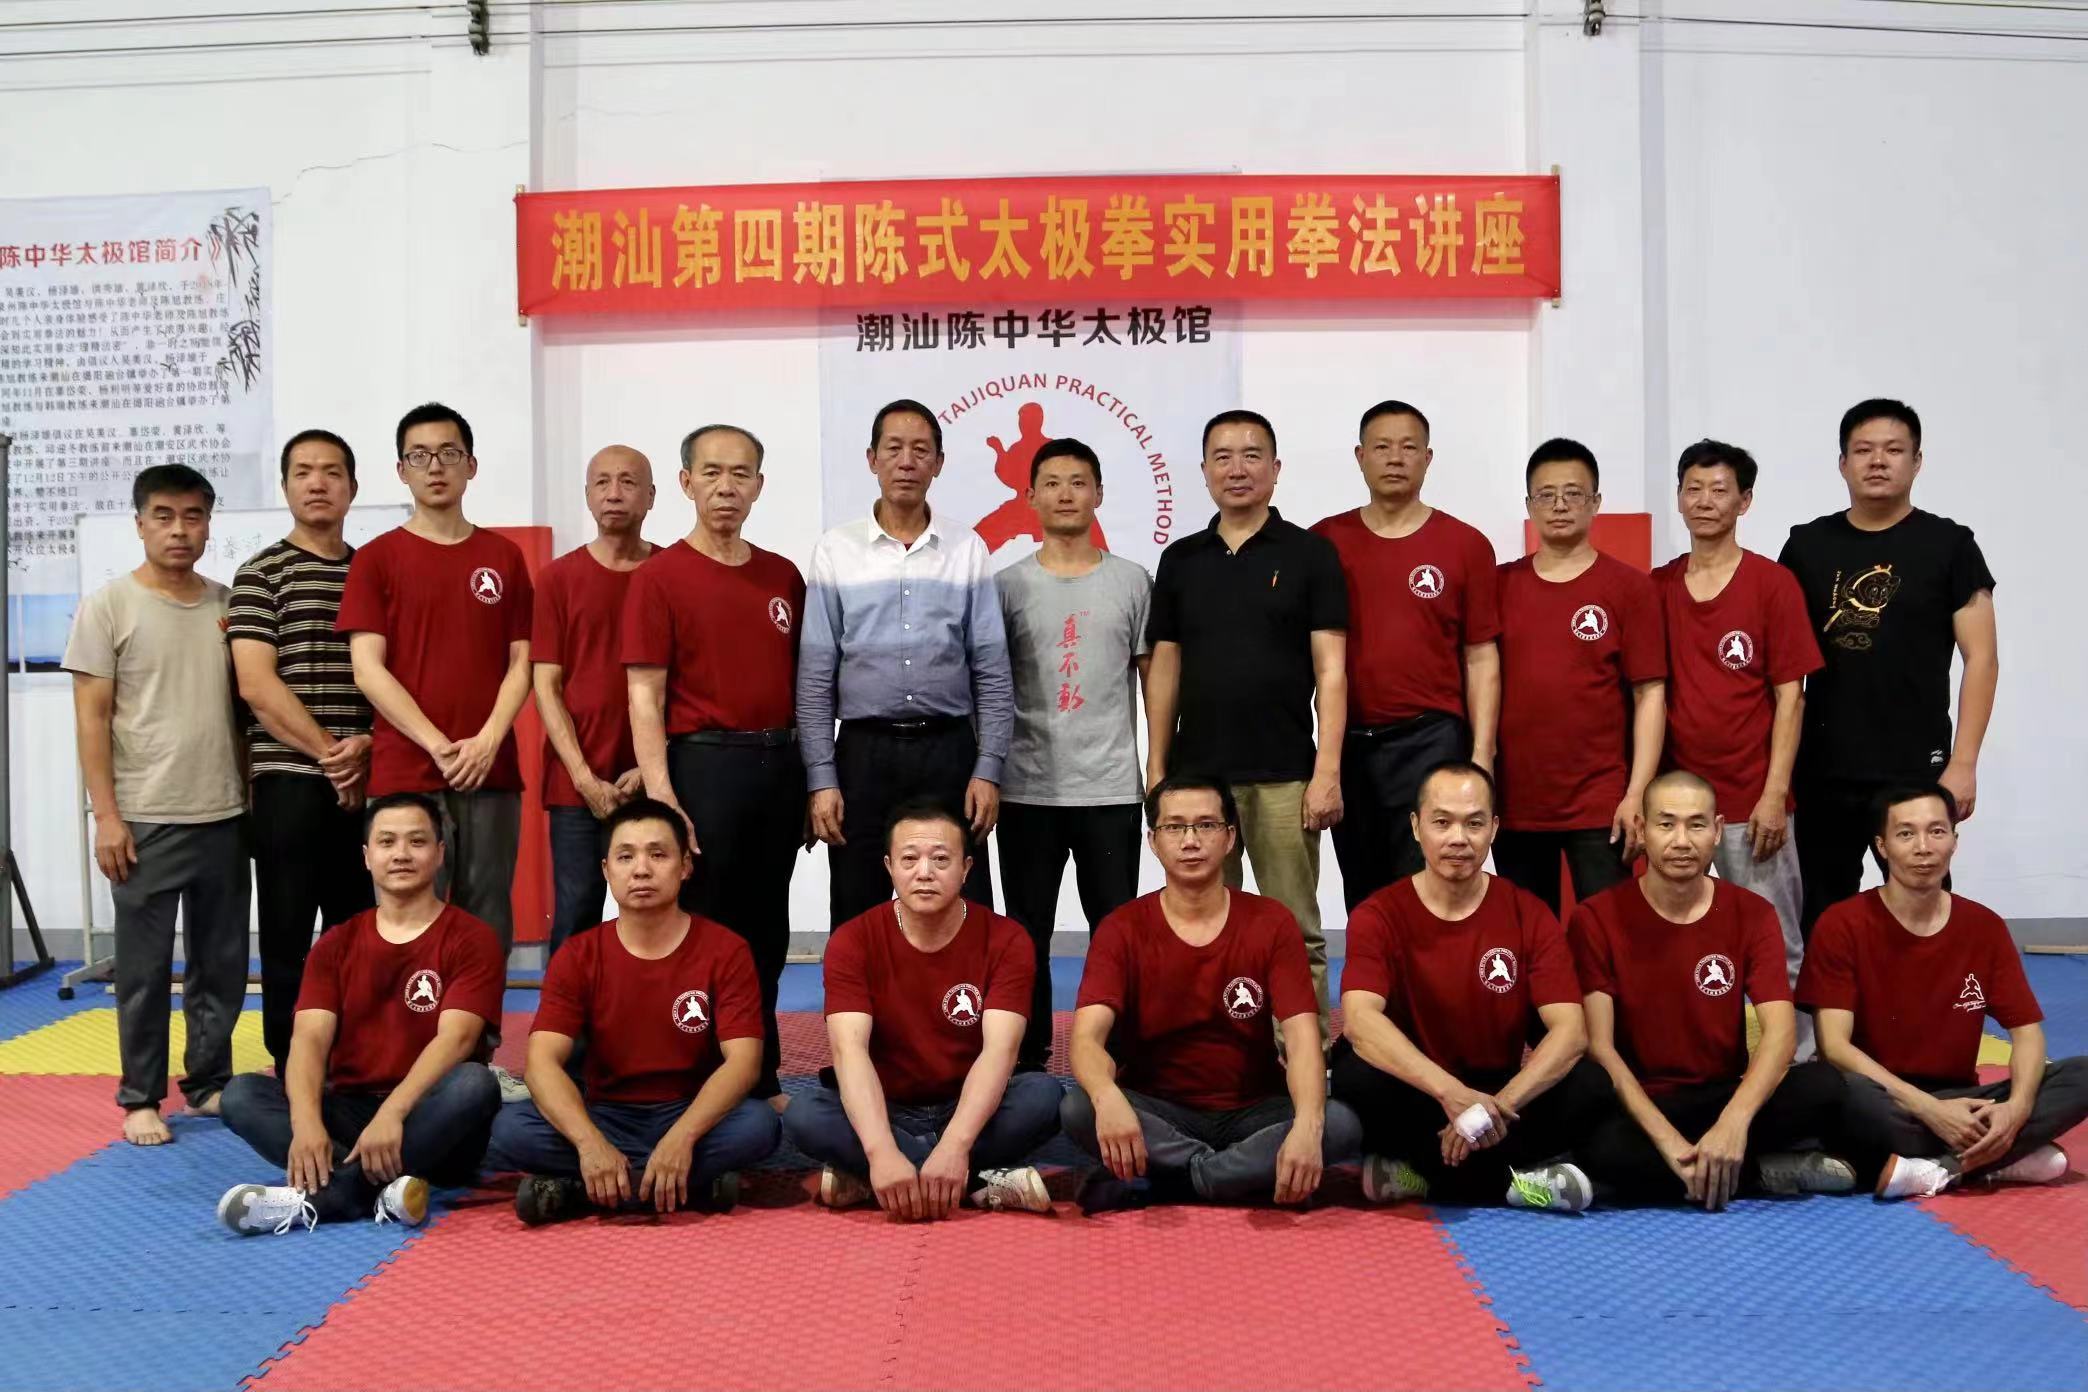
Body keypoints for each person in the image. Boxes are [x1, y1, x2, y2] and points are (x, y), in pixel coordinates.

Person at [1058, 774, 1361, 1212]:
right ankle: (1238, 1176)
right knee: (1079, 1108)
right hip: (1158, 1111)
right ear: (1153, 841)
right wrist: (1107, 1099)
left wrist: (1308, 1127)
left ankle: (1174, 1183)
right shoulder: (1122, 927)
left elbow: (1302, 1039)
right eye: (1174, 827)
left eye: (1206, 825)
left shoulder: (1271, 922)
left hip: (1255, 1109)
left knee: (1339, 1124)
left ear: (1230, 837)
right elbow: (1086, 1039)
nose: (1191, 841)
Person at [337, 402, 533, 1062]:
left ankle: (477, 1058)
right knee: (404, 915)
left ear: (471, 465)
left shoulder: (502, 557)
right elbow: (367, 668)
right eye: (419, 456)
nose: (435, 467)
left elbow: (522, 663)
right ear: (401, 471)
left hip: (490, 768)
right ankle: (398, 1057)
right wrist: (436, 742)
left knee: (486, 917)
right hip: (405, 771)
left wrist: (487, 739)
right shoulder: (377, 559)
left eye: (449, 453)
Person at [215, 793, 504, 1235]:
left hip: (429, 1115)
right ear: (367, 857)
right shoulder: (336, 943)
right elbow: (308, 1039)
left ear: (440, 853)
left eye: (417, 841)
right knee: (240, 1095)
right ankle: (381, 1188)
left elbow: (458, 1040)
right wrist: (306, 1124)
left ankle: (332, 1195)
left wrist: (393, 1113)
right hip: (349, 1113)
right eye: (387, 842)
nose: (401, 854)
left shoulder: (472, 938)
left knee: (474, 1085)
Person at [1145, 409, 1347, 1035]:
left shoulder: (1310, 554)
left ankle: (1304, 1056)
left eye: (1252, 455)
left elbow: (1332, 671)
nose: (1238, 469)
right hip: (1198, 782)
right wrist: (1156, 765)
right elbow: (1165, 668)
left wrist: (1327, 771)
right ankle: (1212, 1052)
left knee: (1293, 928)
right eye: (1223, 456)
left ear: (1276, 469)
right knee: (1200, 924)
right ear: (1205, 471)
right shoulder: (1181, 560)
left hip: (1285, 775)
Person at [1330, 760, 1610, 1212]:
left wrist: (1489, 1110)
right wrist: (1450, 1095)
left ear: (1494, 829)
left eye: (1474, 823)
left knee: (1591, 1083)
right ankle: (1514, 1182)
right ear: (1416, 827)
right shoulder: (1378, 914)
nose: (1458, 838)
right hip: (1421, 1089)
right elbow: (1361, 1023)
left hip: (1501, 1094)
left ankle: (1422, 1176)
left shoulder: (1527, 912)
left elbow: (1571, 1031)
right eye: (1442, 822)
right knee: (1353, 1077)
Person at [484, 798, 781, 1224]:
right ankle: (685, 1186)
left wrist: (682, 1138)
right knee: (511, 1129)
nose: (641, 870)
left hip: (691, 1110)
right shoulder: (579, 954)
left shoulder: (726, 950)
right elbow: (541, 1063)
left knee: (759, 1125)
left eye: (658, 854)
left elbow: (744, 1063)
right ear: (606, 870)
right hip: (605, 1113)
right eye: (626, 857)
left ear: (685, 866)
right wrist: (589, 1144)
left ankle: (586, 1189)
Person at [65, 464, 250, 1146]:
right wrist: (107, 817)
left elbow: (244, 714)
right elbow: (91, 720)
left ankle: (206, 1082)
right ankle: (140, 1097)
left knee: (220, 963)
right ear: (140, 524)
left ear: (208, 524)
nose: (179, 530)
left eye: (193, 516)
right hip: (144, 816)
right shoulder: (108, 606)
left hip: (224, 811)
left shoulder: (228, 605)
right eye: (164, 516)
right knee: (143, 970)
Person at [1570, 771, 1855, 1208]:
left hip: (1722, 1093)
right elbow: (1601, 1048)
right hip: (1644, 1103)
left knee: (1825, 1086)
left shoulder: (1753, 913)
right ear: (1642, 830)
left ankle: (1694, 1173)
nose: (1682, 841)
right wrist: (1667, 1140)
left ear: (1718, 831)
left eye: (1697, 825)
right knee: (1601, 1147)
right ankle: (1759, 1174)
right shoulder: (1596, 918)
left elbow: (1780, 1036)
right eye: (1666, 824)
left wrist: (1734, 1124)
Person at [627, 424, 807, 1105]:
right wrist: (662, 797)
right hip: (703, 769)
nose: (726, 487)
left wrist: (809, 781)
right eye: (711, 473)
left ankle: (759, 1073)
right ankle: (696, 1076)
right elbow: (644, 696)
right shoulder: (659, 578)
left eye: (740, 474)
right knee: (705, 928)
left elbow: (804, 689)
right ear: (686, 483)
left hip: (777, 767)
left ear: (759, 485)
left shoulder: (782, 576)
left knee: (768, 929)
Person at [1800, 785, 2088, 1199]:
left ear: (1954, 840)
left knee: (2080, 1074)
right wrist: (1931, 1110)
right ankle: (1997, 1158)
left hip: (1962, 1097)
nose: (1923, 848)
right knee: (1844, 1094)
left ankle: (1940, 1169)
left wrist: (2015, 1110)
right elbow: (1835, 1048)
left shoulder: (1984, 927)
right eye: (1906, 834)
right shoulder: (1842, 924)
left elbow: (2027, 1032)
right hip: (1885, 1097)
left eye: (1936, 831)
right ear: (1881, 846)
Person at [1778, 400, 1998, 936]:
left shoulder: (1950, 545)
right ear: (1842, 463)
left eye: (1894, 450)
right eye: (1863, 450)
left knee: (1922, 905)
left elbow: (1982, 658)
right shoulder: (1807, 545)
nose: (1878, 461)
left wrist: (1964, 762)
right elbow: (1782, 669)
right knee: (1820, 914)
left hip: (1915, 766)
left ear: (1917, 462)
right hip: (1823, 767)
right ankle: (1830, 998)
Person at [781, 799, 1061, 1218]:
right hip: (886, 1105)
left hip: (969, 1105)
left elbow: (1000, 1052)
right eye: (909, 859)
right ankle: (976, 1183)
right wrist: (880, 1151)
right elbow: (849, 1052)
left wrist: (955, 1146)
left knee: (1044, 1096)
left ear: (966, 868)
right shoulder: (853, 940)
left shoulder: (1007, 939)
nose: (924, 873)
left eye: (941, 859)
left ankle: (877, 1180)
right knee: (805, 1114)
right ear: (889, 867)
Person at [798, 399, 1013, 925]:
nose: (907, 462)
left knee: (962, 902)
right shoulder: (836, 550)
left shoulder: (966, 548)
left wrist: (988, 768)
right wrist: (821, 777)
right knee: (858, 901)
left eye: (921, 450)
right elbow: (816, 675)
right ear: (872, 459)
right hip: (863, 754)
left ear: (939, 463)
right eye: (893, 449)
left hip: (948, 751)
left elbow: (991, 670)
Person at [1651, 439, 1824, 1056]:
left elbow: (1791, 698)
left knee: (1776, 943)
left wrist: (1774, 794)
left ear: (1744, 501)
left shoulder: (1772, 585)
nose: (1704, 501)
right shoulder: (1658, 586)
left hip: (1753, 801)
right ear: (1679, 498)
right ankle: (1693, 1058)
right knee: (1679, 939)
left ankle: (1798, 1065)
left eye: (1719, 490)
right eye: (1693, 489)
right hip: (1678, 807)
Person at [994, 437, 1151, 1070]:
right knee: (1024, 931)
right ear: (1029, 496)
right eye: (1052, 483)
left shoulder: (1132, 581)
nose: (1065, 494)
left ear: (1099, 495)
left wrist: (1157, 766)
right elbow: (987, 685)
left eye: (1078, 482)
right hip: (1026, 788)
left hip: (1110, 787)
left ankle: (1117, 1055)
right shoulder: (1005, 586)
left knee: (1115, 931)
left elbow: (1153, 679)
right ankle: (1027, 1058)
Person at [1312, 400, 1501, 909]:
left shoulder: (1465, 544)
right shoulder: (1324, 542)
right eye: (1382, 447)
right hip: (1351, 741)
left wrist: (1482, 754)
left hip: (1432, 739)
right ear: (1360, 457)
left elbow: (1481, 658)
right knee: (1363, 886)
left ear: (1428, 458)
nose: (1395, 458)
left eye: (1408, 447)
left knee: (1432, 882)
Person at [229, 430, 377, 1076]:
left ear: (353, 486)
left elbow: (394, 676)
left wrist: (368, 747)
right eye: (304, 471)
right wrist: (331, 753)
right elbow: (255, 684)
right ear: (286, 485)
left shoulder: (374, 573)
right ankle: (291, 1063)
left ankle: (361, 1059)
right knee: (287, 932)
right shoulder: (261, 573)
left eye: (332, 471)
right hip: (288, 782)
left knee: (362, 932)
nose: (318, 483)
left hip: (370, 782)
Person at [1492, 438, 1667, 917]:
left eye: (1573, 493)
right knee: (1526, 937)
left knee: (1609, 933)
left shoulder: (1630, 588)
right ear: (1529, 505)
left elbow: (1650, 695)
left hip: (1600, 801)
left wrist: (1637, 793)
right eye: (1546, 495)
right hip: (1516, 800)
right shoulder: (1499, 585)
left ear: (1596, 503)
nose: (1559, 505)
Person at [533, 445, 655, 957]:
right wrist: (584, 778)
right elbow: (546, 685)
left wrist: (651, 767)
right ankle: (566, 1013)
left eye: (628, 482)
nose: (614, 493)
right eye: (602, 482)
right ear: (587, 495)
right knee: (577, 911)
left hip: (658, 777)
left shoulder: (671, 572)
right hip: (575, 782)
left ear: (651, 496)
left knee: (657, 909)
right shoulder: (558, 579)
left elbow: (690, 685)